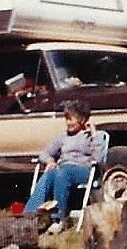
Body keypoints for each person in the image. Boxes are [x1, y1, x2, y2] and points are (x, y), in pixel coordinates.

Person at [25, 100, 96, 234]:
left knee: (62, 172)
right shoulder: (63, 136)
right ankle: (28, 216)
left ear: (82, 119)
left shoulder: (90, 136)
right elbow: (45, 153)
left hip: (84, 171)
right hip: (63, 171)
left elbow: (100, 158)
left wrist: (94, 133)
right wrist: (50, 161)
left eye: (71, 119)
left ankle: (59, 219)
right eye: (66, 119)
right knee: (51, 173)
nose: (68, 123)